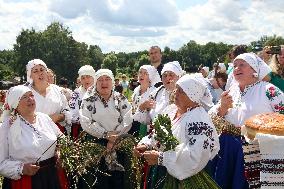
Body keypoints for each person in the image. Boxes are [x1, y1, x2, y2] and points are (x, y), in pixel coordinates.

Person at [209, 53, 284, 189]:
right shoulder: (231, 91)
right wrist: (223, 108)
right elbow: (213, 117)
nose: (237, 68)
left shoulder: (269, 90)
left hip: (258, 150)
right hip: (229, 150)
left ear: (255, 70)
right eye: (235, 65)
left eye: (242, 65)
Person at [134, 74, 220, 189]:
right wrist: (146, 144)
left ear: (192, 96)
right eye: (177, 89)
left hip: (185, 177)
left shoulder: (199, 120)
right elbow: (157, 133)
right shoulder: (171, 110)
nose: (176, 93)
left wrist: (162, 158)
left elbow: (196, 155)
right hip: (162, 170)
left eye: (181, 91)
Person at [0, 85, 66, 189]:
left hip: (51, 175)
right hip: (26, 181)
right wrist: (22, 169)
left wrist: (59, 151)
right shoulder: (7, 126)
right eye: (24, 97)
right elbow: (1, 163)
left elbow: (61, 138)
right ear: (15, 103)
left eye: (31, 95)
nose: (30, 99)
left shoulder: (44, 118)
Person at [79, 69, 133, 189]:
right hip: (96, 144)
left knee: (118, 179)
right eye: (100, 80)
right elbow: (85, 121)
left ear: (113, 82)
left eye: (107, 79)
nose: (104, 82)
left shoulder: (120, 98)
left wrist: (115, 137)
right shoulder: (88, 100)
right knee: (98, 180)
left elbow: (128, 118)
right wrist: (105, 135)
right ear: (96, 83)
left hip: (119, 143)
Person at [25, 59, 71, 134]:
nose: (40, 73)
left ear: (46, 71)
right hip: (32, 134)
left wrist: (59, 117)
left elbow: (66, 110)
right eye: (35, 71)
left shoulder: (57, 90)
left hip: (56, 133)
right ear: (30, 75)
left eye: (42, 70)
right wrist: (45, 121)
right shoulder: (25, 92)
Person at [129, 65, 161, 138]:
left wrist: (142, 108)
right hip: (132, 124)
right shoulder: (136, 90)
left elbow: (152, 115)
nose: (141, 75)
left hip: (144, 130)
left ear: (150, 77)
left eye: (145, 73)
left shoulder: (154, 92)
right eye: (140, 72)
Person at [69, 65, 95, 140]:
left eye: (88, 76)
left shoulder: (101, 91)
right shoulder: (77, 93)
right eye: (83, 78)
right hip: (81, 129)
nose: (86, 80)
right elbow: (72, 111)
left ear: (93, 77)